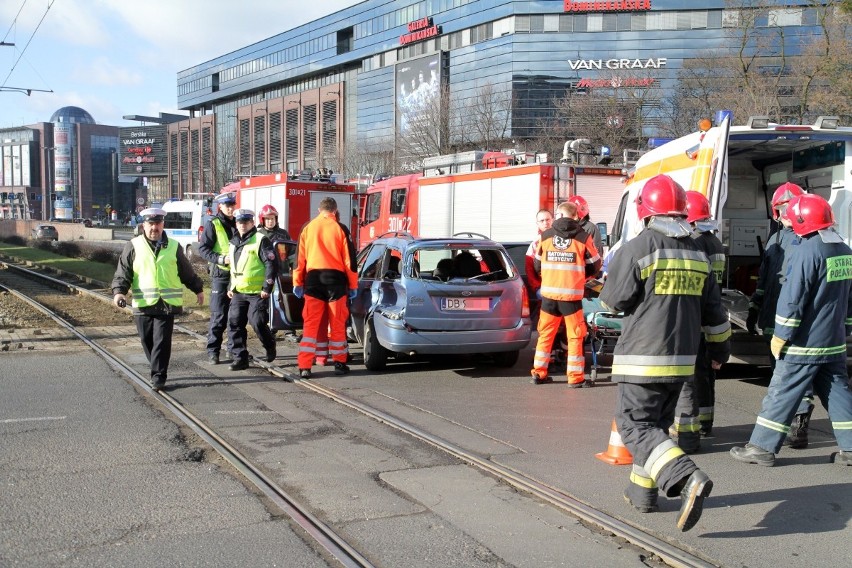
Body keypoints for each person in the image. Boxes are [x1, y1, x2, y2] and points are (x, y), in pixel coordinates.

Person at [599, 174, 730, 532]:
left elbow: (613, 300)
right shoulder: (699, 253)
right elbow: (715, 313)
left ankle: (686, 478)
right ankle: (642, 494)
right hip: (683, 362)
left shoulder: (639, 248)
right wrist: (721, 348)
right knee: (656, 427)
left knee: (634, 425)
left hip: (642, 358)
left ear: (645, 211)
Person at [730, 193, 852, 467]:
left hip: (804, 342)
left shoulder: (807, 251)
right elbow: (850, 300)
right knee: (838, 390)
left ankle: (761, 447)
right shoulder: (844, 249)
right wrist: (845, 329)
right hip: (833, 341)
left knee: (782, 390)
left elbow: (793, 298)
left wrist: (782, 334)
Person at [746, 182, 815, 448]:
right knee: (781, 372)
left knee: (791, 373)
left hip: (792, 321)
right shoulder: (778, 240)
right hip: (774, 320)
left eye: (789, 207)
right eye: (782, 208)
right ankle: (789, 424)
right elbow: (763, 281)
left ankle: (797, 425)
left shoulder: (807, 241)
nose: (786, 213)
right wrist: (754, 308)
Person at [111, 208, 204, 391]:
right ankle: (157, 368)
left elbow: (186, 272)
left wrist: (198, 289)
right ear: (144, 225)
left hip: (166, 305)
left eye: (157, 224)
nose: (154, 228)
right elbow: (123, 272)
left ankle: (158, 376)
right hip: (143, 304)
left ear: (163, 225)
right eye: (150, 224)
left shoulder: (174, 246)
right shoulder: (133, 245)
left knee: (161, 341)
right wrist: (119, 292)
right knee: (147, 341)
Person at [670, 191, 727, 452]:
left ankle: (690, 427)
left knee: (690, 376)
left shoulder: (693, 242)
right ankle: (705, 421)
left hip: (695, 314)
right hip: (712, 313)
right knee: (706, 374)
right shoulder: (715, 242)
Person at [530, 201, 601, 387]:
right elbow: (595, 264)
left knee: (545, 334)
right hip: (571, 295)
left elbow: (536, 264)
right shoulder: (583, 236)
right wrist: (579, 274)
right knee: (575, 336)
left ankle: (539, 373)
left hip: (549, 295)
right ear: (576, 217)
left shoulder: (545, 236)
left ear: (559, 215)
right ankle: (575, 378)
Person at [292, 197, 358, 378]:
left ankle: (305, 366)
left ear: (319, 211)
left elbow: (299, 260)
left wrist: (297, 282)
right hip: (336, 283)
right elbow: (350, 262)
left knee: (310, 326)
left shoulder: (308, 227)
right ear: (335, 212)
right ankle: (340, 363)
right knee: (337, 324)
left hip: (313, 281)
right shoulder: (340, 228)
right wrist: (353, 285)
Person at [226, 209, 277, 371]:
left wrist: (267, 287)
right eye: (240, 222)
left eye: (246, 222)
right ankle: (240, 357)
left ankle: (269, 345)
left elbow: (271, 263)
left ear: (252, 223)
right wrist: (230, 286)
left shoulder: (261, 240)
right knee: (235, 323)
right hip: (239, 291)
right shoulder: (233, 242)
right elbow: (234, 266)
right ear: (236, 224)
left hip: (257, 292)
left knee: (258, 323)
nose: (243, 225)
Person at [198, 191, 238, 365]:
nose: (230, 209)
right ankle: (213, 351)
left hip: (237, 276)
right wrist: (221, 259)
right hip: (220, 276)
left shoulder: (239, 223)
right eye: (227, 206)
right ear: (220, 206)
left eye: (232, 205)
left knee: (235, 316)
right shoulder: (213, 224)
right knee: (219, 315)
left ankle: (233, 350)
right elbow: (203, 249)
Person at [256, 204, 298, 343]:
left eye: (272, 218)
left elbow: (291, 253)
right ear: (262, 220)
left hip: (282, 273)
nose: (270, 221)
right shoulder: (258, 235)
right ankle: (271, 329)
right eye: (267, 219)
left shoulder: (283, 234)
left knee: (284, 300)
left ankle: (289, 330)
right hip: (265, 274)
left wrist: (294, 267)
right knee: (267, 302)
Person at [525, 208, 553, 302]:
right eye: (542, 220)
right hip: (544, 289)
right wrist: (537, 288)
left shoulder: (562, 241)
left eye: (548, 219)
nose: (546, 223)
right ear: (537, 223)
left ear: (552, 220)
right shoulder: (535, 244)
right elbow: (530, 268)